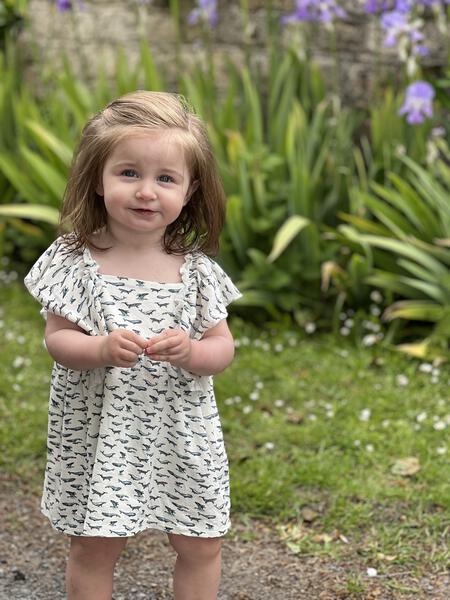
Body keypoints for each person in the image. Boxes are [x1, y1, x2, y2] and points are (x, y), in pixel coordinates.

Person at [24, 90, 242, 600]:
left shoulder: (198, 273)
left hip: (181, 429)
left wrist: (191, 353)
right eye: (129, 173)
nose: (147, 191)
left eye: (165, 179)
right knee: (95, 546)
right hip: (102, 431)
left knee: (200, 541)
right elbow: (57, 339)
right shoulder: (75, 261)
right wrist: (97, 349)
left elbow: (222, 348)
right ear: (98, 181)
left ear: (189, 192)